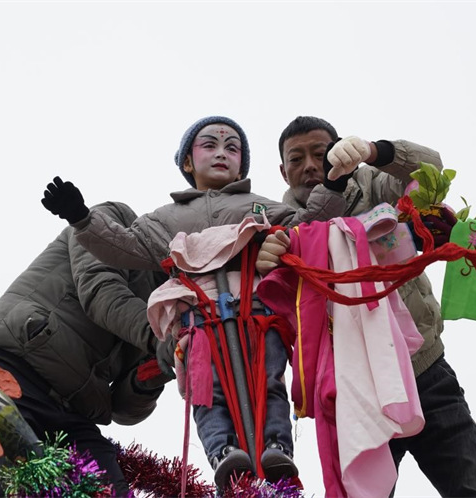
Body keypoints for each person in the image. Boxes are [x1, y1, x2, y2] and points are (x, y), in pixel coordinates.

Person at [40, 115, 350, 491]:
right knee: (206, 391)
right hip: (198, 320)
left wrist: (333, 185)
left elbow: (309, 224)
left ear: (243, 164)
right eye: (210, 145)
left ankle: (276, 447)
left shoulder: (260, 206)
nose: (221, 153)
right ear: (188, 162)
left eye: (232, 148)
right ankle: (224, 453)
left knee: (269, 381)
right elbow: (123, 246)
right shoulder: (164, 219)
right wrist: (82, 218)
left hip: (258, 315)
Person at [272, 116, 476, 497]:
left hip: (425, 368)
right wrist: (333, 184)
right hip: (355, 391)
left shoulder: (377, 185)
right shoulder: (281, 224)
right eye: (297, 158)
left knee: (474, 490)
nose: (310, 164)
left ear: (341, 147)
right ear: (282, 171)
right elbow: (306, 235)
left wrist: (376, 151)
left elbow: (431, 171)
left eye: (321, 151)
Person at [0, 201, 174, 497]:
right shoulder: (108, 223)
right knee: (2, 487)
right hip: (11, 372)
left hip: (73, 413)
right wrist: (163, 339)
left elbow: (123, 410)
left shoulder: (171, 307)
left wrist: (149, 378)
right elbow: (101, 293)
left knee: (109, 489)